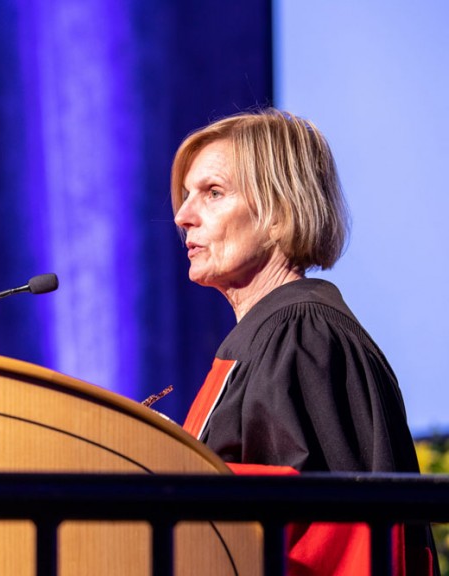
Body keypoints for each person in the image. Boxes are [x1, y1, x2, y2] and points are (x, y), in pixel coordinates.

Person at [171, 108, 436, 575]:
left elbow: (325, 537)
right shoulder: (274, 333)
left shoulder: (302, 335)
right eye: (187, 195)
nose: (183, 215)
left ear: (280, 214)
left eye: (213, 193)